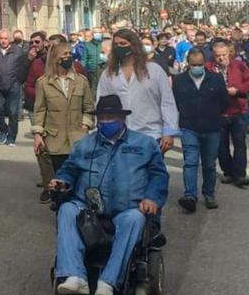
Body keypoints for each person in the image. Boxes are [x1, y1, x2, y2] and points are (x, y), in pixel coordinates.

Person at [52, 95, 168, 295]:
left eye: (111, 116)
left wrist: (151, 198)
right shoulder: (83, 146)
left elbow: (159, 176)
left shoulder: (145, 144)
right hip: (89, 210)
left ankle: (109, 281)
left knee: (135, 218)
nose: (106, 121)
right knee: (66, 209)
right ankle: (74, 276)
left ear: (122, 118)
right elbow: (68, 171)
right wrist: (61, 181)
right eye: (102, 117)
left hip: (129, 209)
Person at [96, 28, 180, 152]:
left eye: (123, 44)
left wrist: (169, 131)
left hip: (151, 135)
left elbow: (167, 102)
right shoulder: (109, 74)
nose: (119, 47)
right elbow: (101, 104)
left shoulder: (154, 70)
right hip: (118, 136)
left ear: (134, 45)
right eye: (116, 45)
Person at [32, 42, 95, 202]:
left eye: (69, 53)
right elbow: (40, 110)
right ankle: (61, 209)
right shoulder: (43, 83)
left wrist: (85, 125)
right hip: (55, 140)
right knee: (60, 182)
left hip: (77, 139)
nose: (69, 57)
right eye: (65, 54)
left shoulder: (81, 81)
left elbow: (89, 107)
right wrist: (38, 134)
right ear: (55, 58)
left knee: (78, 180)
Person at [172, 48, 230, 212]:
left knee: (209, 164)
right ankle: (190, 195)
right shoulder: (179, 81)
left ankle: (209, 194)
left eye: (200, 64)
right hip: (189, 128)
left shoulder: (216, 79)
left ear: (204, 63)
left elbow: (224, 102)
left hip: (212, 128)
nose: (197, 67)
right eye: (193, 64)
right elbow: (174, 102)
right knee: (190, 163)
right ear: (188, 64)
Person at [209, 41, 249, 188]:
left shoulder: (238, 66)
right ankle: (228, 172)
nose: (221, 58)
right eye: (218, 55)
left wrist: (237, 90)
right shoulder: (209, 68)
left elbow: (247, 82)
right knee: (222, 146)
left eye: (223, 55)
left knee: (239, 144)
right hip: (218, 112)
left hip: (238, 110)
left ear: (229, 53)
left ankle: (240, 175)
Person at [0, 30, 29, 146]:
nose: (3, 41)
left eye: (6, 38)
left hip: (13, 86)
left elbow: (23, 67)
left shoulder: (18, 51)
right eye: (1, 38)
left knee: (13, 112)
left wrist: (19, 81)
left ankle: (11, 137)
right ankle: (3, 131)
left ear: (9, 39)